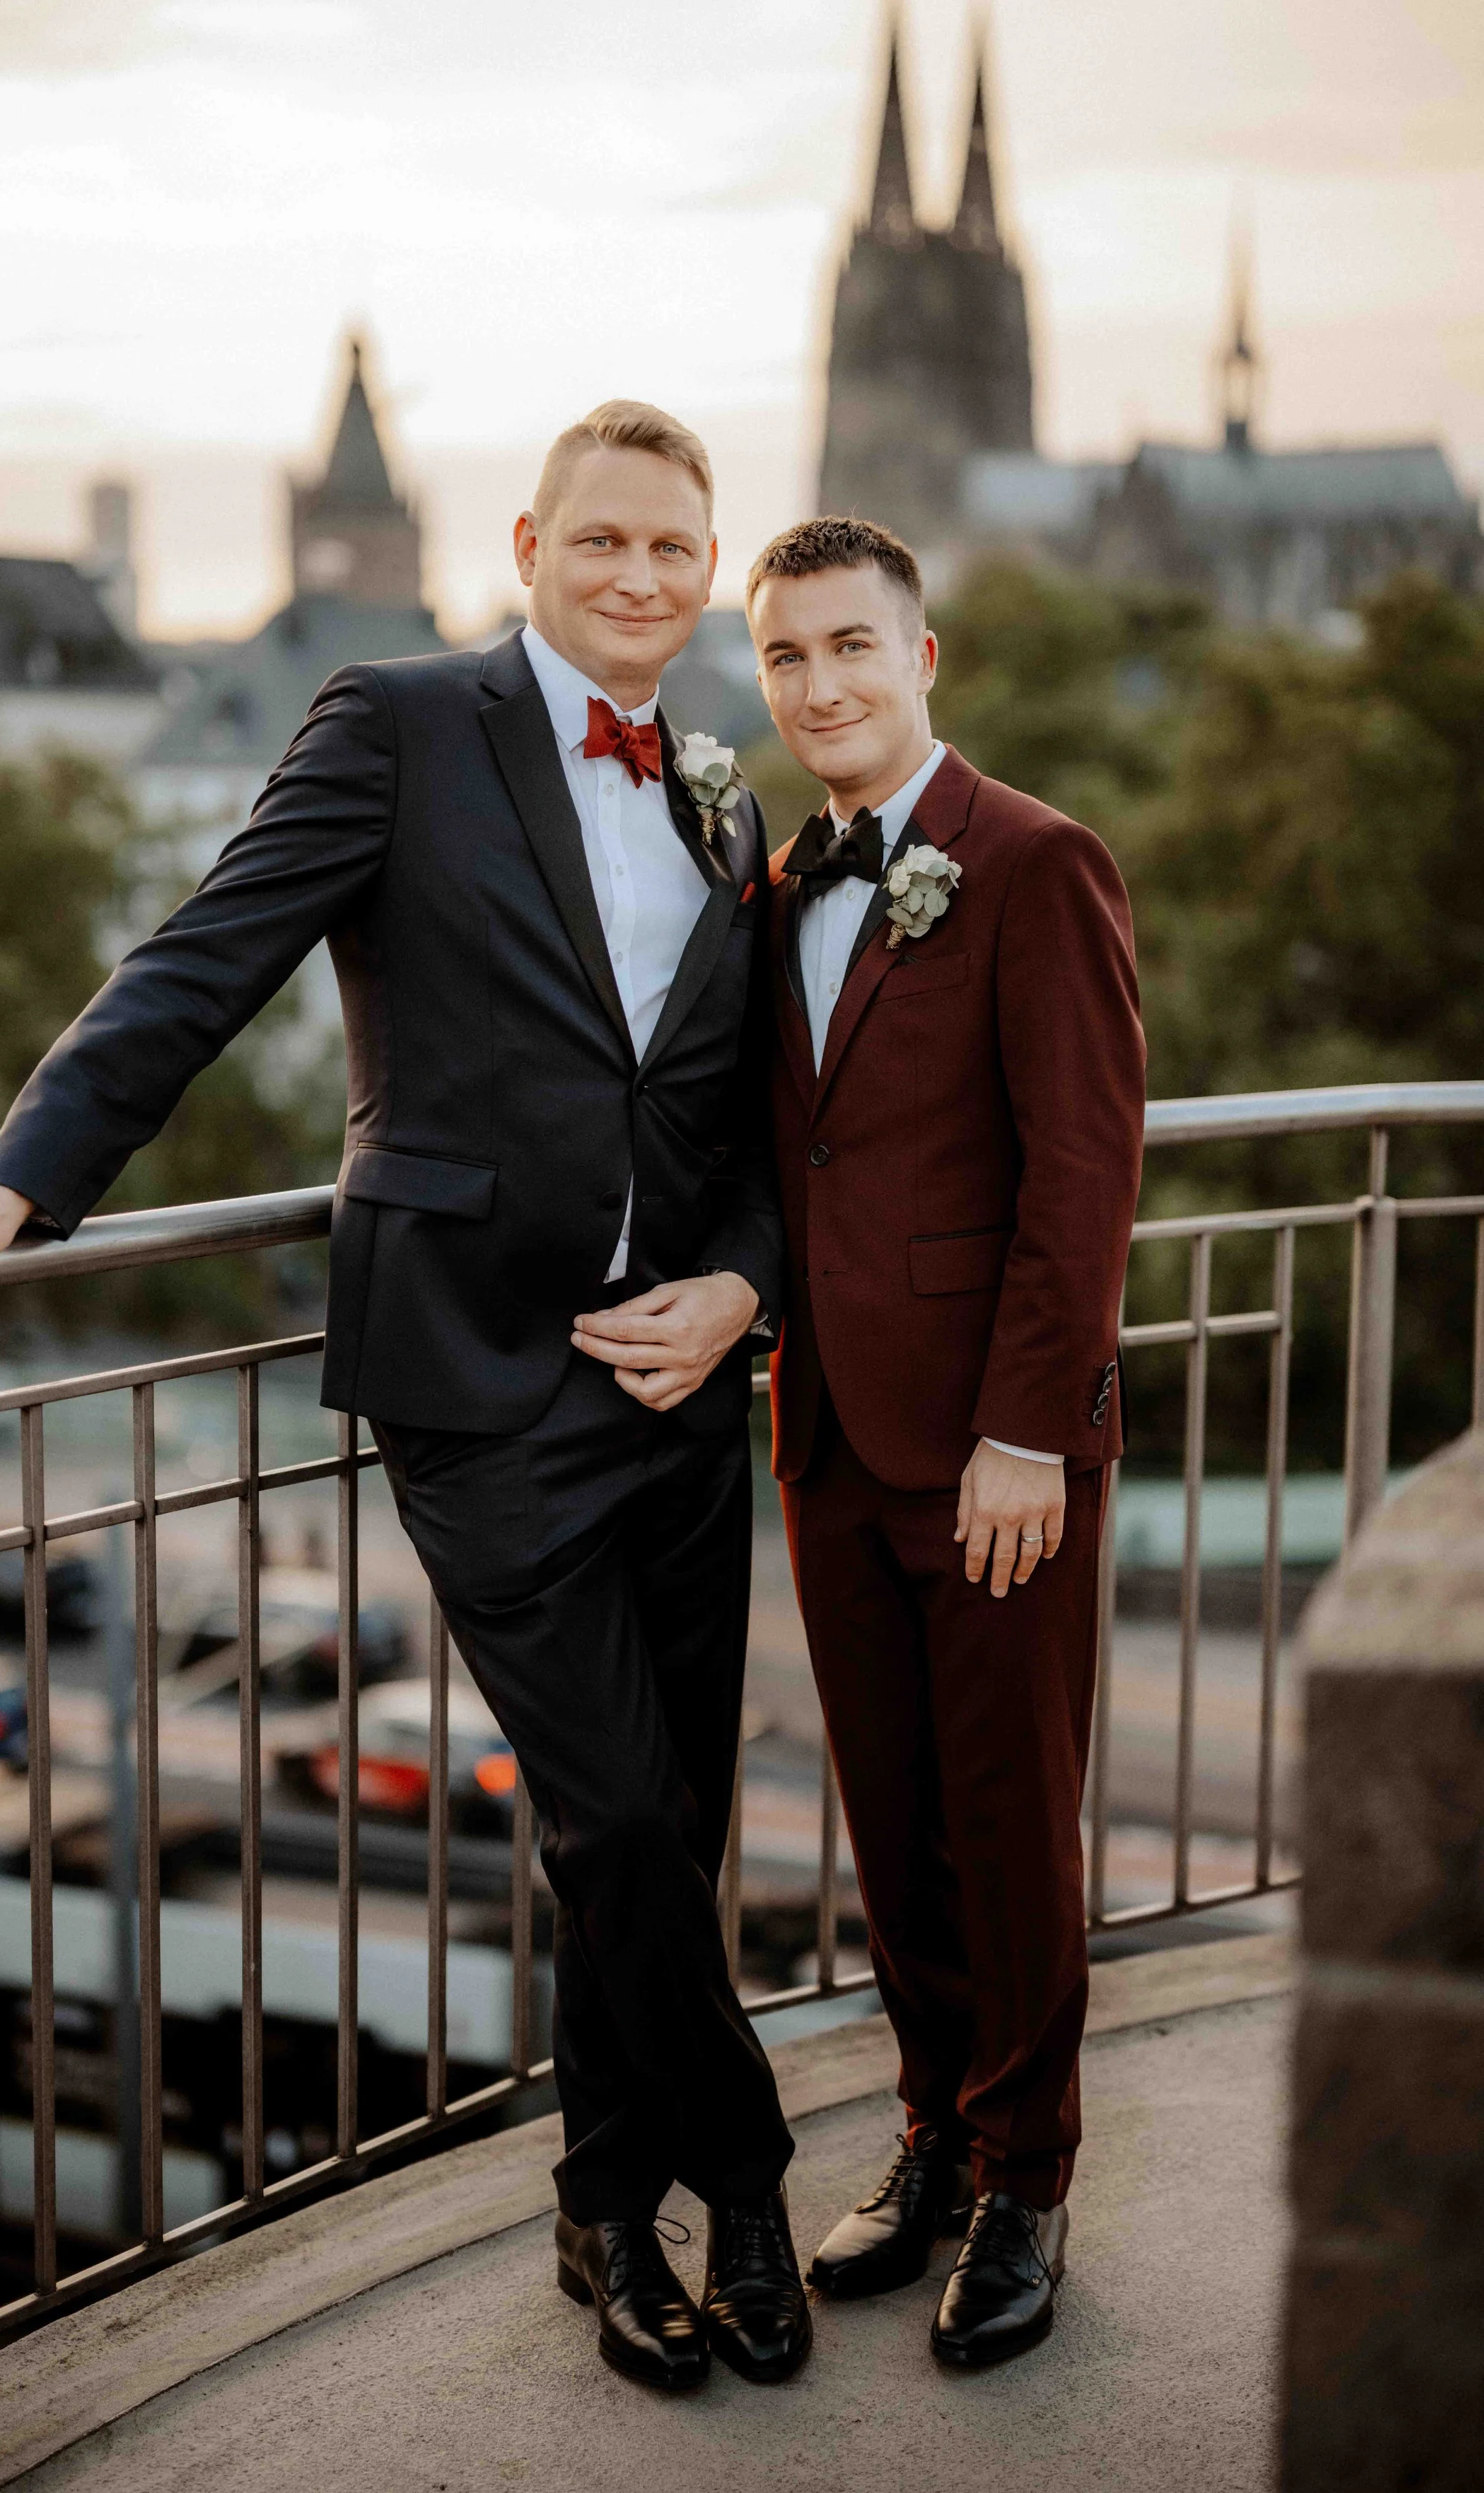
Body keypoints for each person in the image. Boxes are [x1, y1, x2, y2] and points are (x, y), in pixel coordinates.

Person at [0, 403, 812, 2396]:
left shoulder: (719, 794)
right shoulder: (398, 717)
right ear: (530, 542)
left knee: (663, 1825)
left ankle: (605, 2207)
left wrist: (747, 1295)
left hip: (685, 1385)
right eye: (603, 542)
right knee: (615, 1818)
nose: (638, 580)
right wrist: (28, 1177)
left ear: (709, 576)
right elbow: (205, 954)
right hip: (476, 1372)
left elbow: (737, 1121)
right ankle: (754, 2179)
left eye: (674, 555)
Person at [744, 514, 1145, 2367]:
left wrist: (1026, 1436)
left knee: (1004, 1821)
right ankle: (928, 2130)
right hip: (823, 1431)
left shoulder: (1036, 859)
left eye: (849, 646)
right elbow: (790, 1160)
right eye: (785, 657)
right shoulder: (778, 882)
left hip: (991, 1457)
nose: (818, 683)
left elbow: (1081, 1175)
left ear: (925, 661)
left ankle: (1027, 2177)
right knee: (890, 1825)